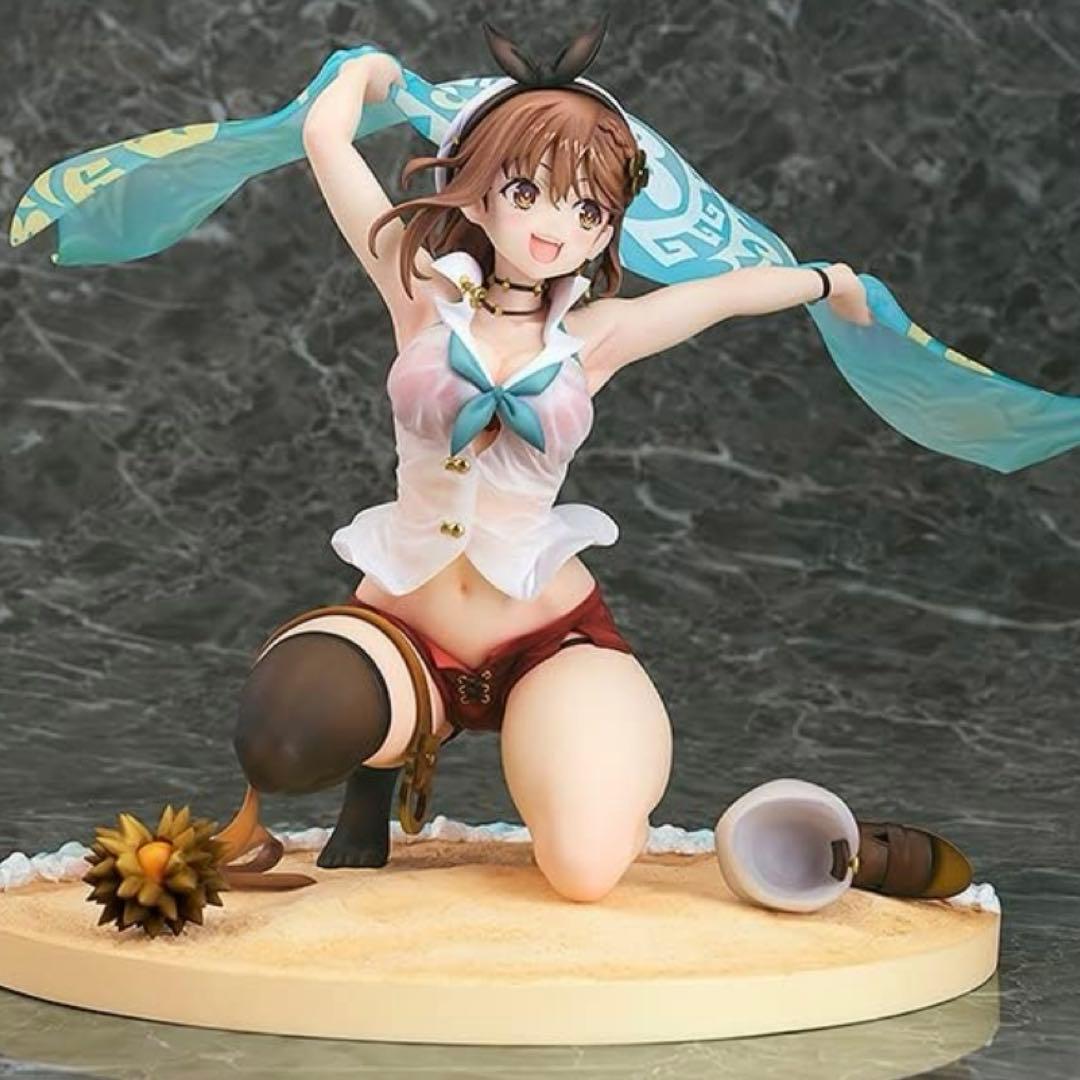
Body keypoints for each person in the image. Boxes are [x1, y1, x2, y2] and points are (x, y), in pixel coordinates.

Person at [228, 19, 872, 904]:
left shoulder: (594, 337)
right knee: (283, 737)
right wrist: (361, 70)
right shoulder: (420, 292)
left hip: (547, 637)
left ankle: (579, 768)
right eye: (528, 190)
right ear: (477, 191)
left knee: (584, 869)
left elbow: (721, 297)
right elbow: (326, 143)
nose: (553, 227)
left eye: (588, 209)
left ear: (606, 229)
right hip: (403, 625)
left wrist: (829, 282)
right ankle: (379, 772)